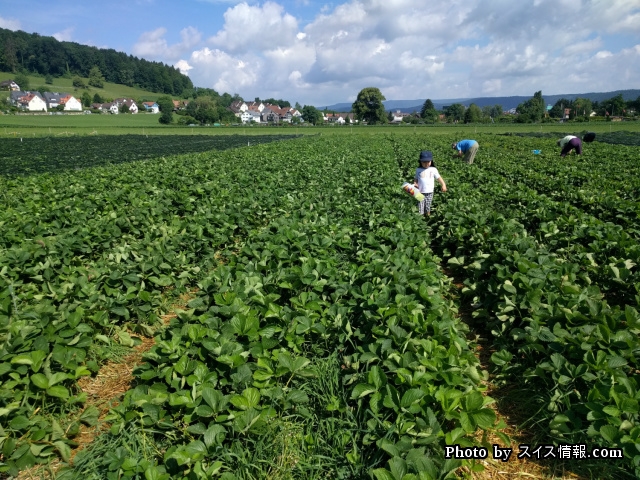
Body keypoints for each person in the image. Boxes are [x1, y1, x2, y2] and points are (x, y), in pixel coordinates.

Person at [413, 150, 447, 217]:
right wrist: (415, 183)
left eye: (428, 162)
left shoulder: (433, 169)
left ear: (431, 161)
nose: (426, 164)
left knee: (428, 205)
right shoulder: (418, 169)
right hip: (419, 191)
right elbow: (416, 178)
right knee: (420, 206)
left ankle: (427, 217)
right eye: (424, 162)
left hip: (430, 192)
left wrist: (443, 184)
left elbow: (439, 178)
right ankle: (420, 219)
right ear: (420, 161)